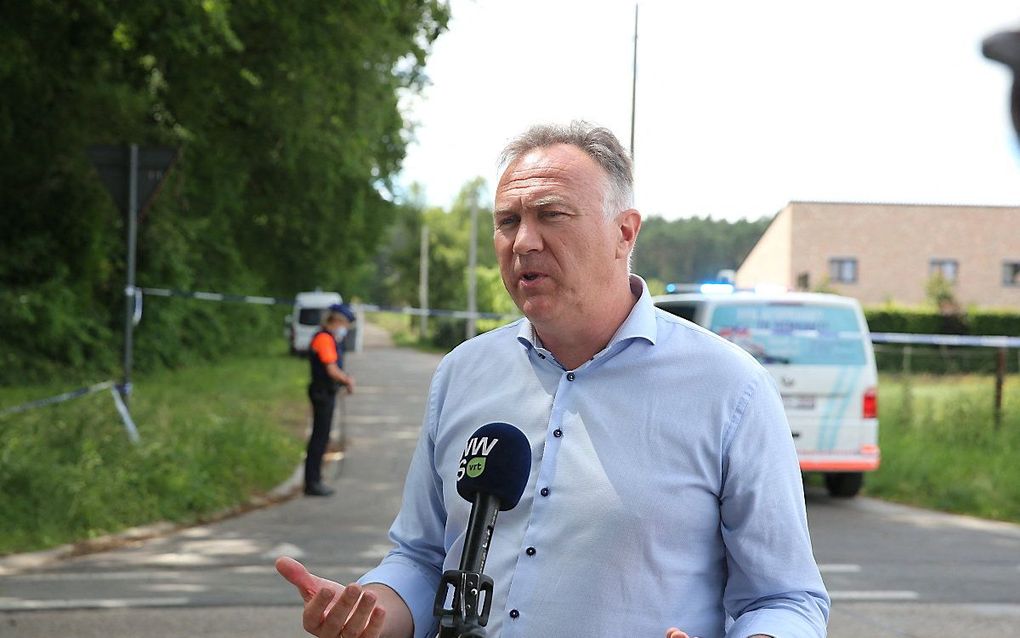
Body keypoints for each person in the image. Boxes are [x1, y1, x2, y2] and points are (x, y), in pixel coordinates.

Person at [277, 122, 829, 637]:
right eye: (508, 220)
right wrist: (372, 613)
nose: (523, 242)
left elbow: (786, 598)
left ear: (624, 232)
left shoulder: (730, 389)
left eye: (552, 215)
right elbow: (421, 558)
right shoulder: (462, 373)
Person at [304, 303, 356, 497]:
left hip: (326, 392)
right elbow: (331, 369)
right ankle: (312, 482)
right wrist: (347, 380)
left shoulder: (328, 338)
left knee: (322, 437)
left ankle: (315, 479)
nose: (346, 328)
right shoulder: (324, 339)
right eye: (345, 323)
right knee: (319, 438)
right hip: (321, 393)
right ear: (337, 321)